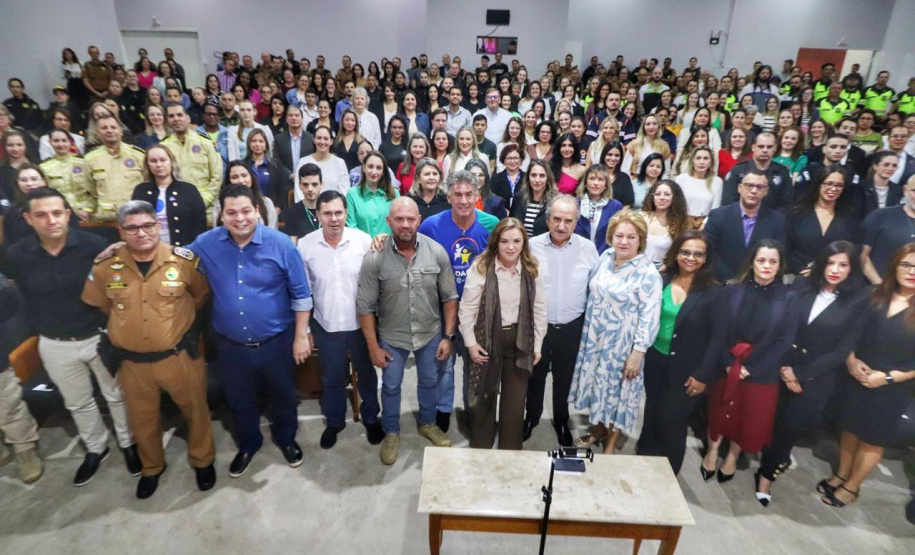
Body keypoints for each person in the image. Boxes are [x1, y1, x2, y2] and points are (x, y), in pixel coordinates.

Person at [0, 188, 139, 486]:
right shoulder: (16, 255)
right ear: (28, 218)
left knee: (117, 396)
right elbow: (14, 291)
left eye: (57, 213)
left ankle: (129, 444)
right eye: (41, 215)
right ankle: (96, 448)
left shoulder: (94, 246)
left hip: (98, 336)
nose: (51, 220)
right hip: (53, 342)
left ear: (67, 214)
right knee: (78, 402)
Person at [81, 201, 215, 499]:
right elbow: (102, 304)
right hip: (132, 362)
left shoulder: (183, 260)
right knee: (142, 420)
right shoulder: (105, 265)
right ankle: (151, 468)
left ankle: (203, 460)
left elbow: (200, 295)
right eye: (132, 228)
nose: (141, 233)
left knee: (196, 410)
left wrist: (169, 325)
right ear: (121, 231)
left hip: (179, 356)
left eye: (148, 226)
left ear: (158, 226)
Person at [187, 185, 312, 479]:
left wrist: (301, 336)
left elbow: (302, 294)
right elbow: (173, 256)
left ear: (257, 210)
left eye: (246, 211)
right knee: (239, 399)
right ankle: (248, 444)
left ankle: (286, 439)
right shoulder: (207, 243)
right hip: (231, 346)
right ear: (222, 214)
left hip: (277, 341)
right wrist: (122, 247)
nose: (239, 218)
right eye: (231, 212)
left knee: (283, 396)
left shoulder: (281, 244)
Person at [755, 241, 865, 506]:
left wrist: (799, 374)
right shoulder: (802, 286)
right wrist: (784, 367)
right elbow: (784, 327)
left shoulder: (857, 302)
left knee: (788, 429)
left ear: (852, 269)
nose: (835, 270)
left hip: (815, 380)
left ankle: (767, 476)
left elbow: (841, 351)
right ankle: (772, 458)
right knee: (771, 421)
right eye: (830, 262)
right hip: (781, 367)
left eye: (843, 264)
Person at [356, 197, 458, 465]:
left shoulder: (436, 252)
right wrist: (373, 347)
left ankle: (427, 423)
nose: (405, 225)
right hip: (392, 336)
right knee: (390, 387)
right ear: (388, 222)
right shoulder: (374, 258)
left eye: (410, 219)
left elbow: (449, 297)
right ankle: (391, 432)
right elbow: (365, 306)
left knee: (428, 382)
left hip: (430, 332)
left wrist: (448, 337)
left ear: (419, 221)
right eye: (399, 219)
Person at [822, 244, 915, 507]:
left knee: (872, 440)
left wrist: (887, 378)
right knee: (850, 429)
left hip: (893, 385)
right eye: (905, 265)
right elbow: (849, 331)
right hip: (858, 375)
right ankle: (841, 473)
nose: (911, 272)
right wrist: (850, 360)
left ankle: (852, 487)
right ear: (895, 267)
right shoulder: (873, 294)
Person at [700, 239, 798, 485]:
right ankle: (712, 451)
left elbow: (785, 341)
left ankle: (732, 457)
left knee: (748, 418)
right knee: (720, 411)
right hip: (727, 364)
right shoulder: (732, 289)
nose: (766, 265)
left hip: (762, 372)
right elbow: (718, 330)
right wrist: (726, 361)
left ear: (780, 266)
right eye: (761, 260)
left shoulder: (789, 297)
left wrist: (751, 368)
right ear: (752, 262)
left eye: (772, 261)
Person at [568, 210, 662, 453]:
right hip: (595, 339)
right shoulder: (606, 257)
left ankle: (611, 442)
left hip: (623, 345)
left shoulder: (648, 273)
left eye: (631, 237)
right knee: (598, 387)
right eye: (619, 235)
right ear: (611, 237)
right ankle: (599, 428)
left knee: (618, 392)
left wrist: (637, 353)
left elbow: (649, 318)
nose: (624, 241)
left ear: (641, 239)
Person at [297, 190, 383, 449]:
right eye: (327, 213)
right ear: (318, 215)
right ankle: (335, 422)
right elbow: (304, 290)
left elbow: (375, 283)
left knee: (367, 374)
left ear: (346, 213)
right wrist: (306, 329)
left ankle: (371, 418)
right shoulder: (306, 245)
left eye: (338, 212)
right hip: (326, 326)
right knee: (332, 379)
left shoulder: (362, 240)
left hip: (360, 325)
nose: (334, 218)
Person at [635, 230, 720, 475]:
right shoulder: (661, 279)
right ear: (676, 253)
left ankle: (667, 475)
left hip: (688, 369)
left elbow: (718, 338)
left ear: (706, 258)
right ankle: (642, 462)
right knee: (651, 412)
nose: (690, 257)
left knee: (672, 420)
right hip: (655, 360)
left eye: (697, 253)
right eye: (685, 251)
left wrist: (703, 375)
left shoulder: (714, 291)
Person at [459, 217, 547, 449]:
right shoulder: (481, 267)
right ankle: (481, 446)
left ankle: (510, 449)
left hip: (520, 339)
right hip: (487, 338)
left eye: (516, 241)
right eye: (505, 241)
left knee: (515, 403)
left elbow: (539, 309)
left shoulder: (531, 269)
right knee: (484, 397)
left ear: (523, 243)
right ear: (496, 242)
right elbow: (467, 309)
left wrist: (537, 344)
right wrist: (470, 343)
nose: (511, 247)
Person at [527, 196, 599, 444]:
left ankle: (560, 421)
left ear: (576, 222)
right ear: (547, 220)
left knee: (564, 379)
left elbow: (596, 288)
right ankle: (531, 417)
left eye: (568, 220)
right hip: (539, 327)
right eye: (556, 219)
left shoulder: (587, 248)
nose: (561, 225)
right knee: (534, 376)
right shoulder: (530, 246)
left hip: (572, 327)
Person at [705, 170, 787, 282]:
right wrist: (730, 281)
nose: (754, 191)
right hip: (720, 283)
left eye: (760, 187)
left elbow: (778, 257)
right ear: (739, 188)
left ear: (766, 191)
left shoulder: (778, 221)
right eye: (749, 186)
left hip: (759, 285)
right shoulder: (718, 216)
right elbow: (709, 252)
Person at [785, 166, 859, 275]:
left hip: (835, 276)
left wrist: (820, 272)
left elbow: (853, 250)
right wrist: (802, 270)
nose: (833, 189)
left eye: (839, 185)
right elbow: (786, 248)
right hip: (798, 275)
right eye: (829, 183)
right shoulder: (797, 214)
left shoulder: (850, 216)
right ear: (818, 185)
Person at [131, 144, 207, 247]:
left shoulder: (188, 190)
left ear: (171, 162)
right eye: (153, 161)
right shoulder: (141, 191)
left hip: (185, 250)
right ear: (148, 165)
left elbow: (199, 225)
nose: (159, 165)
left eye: (163, 160)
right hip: (150, 251)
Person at [160, 104, 223, 213]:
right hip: (177, 208)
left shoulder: (206, 143)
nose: (176, 119)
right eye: (171, 116)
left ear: (188, 118)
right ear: (167, 120)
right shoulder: (164, 147)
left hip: (206, 208)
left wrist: (202, 201)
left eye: (180, 115)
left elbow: (217, 176)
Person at [83, 113, 146, 221]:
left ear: (121, 131)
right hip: (106, 219)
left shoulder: (138, 155)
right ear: (98, 133)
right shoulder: (90, 159)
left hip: (136, 215)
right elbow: (90, 191)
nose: (109, 130)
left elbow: (148, 185)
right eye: (104, 128)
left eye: (113, 127)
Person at [860, 175, 915, 284]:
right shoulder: (880, 216)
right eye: (914, 191)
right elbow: (861, 254)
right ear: (905, 190)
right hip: (876, 292)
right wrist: (879, 285)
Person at [721, 132, 793, 211]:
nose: (765, 150)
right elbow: (729, 202)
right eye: (761, 146)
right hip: (740, 219)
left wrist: (772, 220)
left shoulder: (782, 172)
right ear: (753, 147)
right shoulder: (738, 170)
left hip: (772, 220)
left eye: (769, 147)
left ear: (775, 148)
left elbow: (786, 204)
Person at [39, 129, 93, 220]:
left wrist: (87, 210)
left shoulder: (83, 163)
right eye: (56, 141)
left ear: (70, 142)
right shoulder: (44, 167)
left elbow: (94, 191)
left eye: (64, 140)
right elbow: (45, 195)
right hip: (59, 216)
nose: (60, 144)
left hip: (86, 216)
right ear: (50, 142)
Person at [573, 164, 624, 253]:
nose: (596, 183)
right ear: (585, 183)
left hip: (605, 256)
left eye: (600, 180)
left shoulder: (615, 206)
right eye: (592, 178)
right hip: (578, 254)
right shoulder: (575, 204)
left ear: (605, 185)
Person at [345, 151, 399, 236]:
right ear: (363, 168)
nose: (374, 172)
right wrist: (369, 243)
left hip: (388, 246)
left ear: (383, 171)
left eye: (378, 168)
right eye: (370, 167)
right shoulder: (352, 194)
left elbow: (398, 223)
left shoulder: (394, 194)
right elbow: (351, 226)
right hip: (361, 246)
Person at [642, 180, 690, 269]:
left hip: (661, 269)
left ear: (674, 198)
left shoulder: (680, 224)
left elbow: (676, 256)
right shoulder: (641, 217)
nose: (662, 198)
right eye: (657, 194)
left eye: (667, 194)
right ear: (652, 197)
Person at [294, 126, 350, 198]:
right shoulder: (303, 161)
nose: (322, 142)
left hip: (333, 207)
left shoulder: (340, 163)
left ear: (331, 141)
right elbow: (299, 192)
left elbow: (344, 191)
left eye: (326, 139)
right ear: (314, 140)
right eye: (319, 138)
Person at [676, 146, 723, 228]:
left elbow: (715, 208)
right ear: (692, 161)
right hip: (683, 222)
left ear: (710, 162)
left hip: (706, 224)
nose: (702, 162)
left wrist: (704, 225)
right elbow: (676, 205)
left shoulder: (717, 182)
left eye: (705, 158)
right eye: (698, 158)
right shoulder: (681, 179)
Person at [509, 160, 556, 237]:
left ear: (548, 178)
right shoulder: (518, 197)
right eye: (533, 175)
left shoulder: (555, 201)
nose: (537, 180)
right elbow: (511, 224)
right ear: (528, 177)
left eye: (542, 176)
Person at [280, 163, 323, 242]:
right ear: (300, 186)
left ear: (322, 185)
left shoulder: (330, 210)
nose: (310, 189)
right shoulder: (292, 212)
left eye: (314, 184)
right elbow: (292, 244)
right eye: (305, 185)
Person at [272, 104, 315, 178]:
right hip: (285, 181)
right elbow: (276, 161)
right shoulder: (279, 139)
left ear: (302, 118)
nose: (294, 118)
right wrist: (290, 175)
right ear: (286, 119)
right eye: (290, 115)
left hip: (307, 179)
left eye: (297, 115)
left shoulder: (311, 138)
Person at [859, 151, 903, 217]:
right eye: (886, 165)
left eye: (894, 166)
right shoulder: (860, 188)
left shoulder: (898, 190)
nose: (890, 169)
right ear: (875, 166)